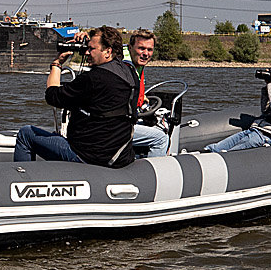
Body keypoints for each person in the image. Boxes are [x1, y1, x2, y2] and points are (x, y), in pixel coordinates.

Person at [14, 25, 139, 167]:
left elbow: (52, 95)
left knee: (25, 134)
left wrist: (57, 64)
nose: (86, 53)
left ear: (108, 52)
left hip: (88, 156)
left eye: (91, 49)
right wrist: (90, 40)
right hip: (118, 156)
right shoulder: (130, 73)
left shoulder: (93, 79)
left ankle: (21, 180)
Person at [124, 28, 170, 158]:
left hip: (128, 119)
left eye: (149, 50)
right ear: (130, 47)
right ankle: (155, 174)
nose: (145, 53)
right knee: (161, 138)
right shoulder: (124, 67)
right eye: (141, 48)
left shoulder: (136, 64)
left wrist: (141, 98)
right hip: (117, 127)